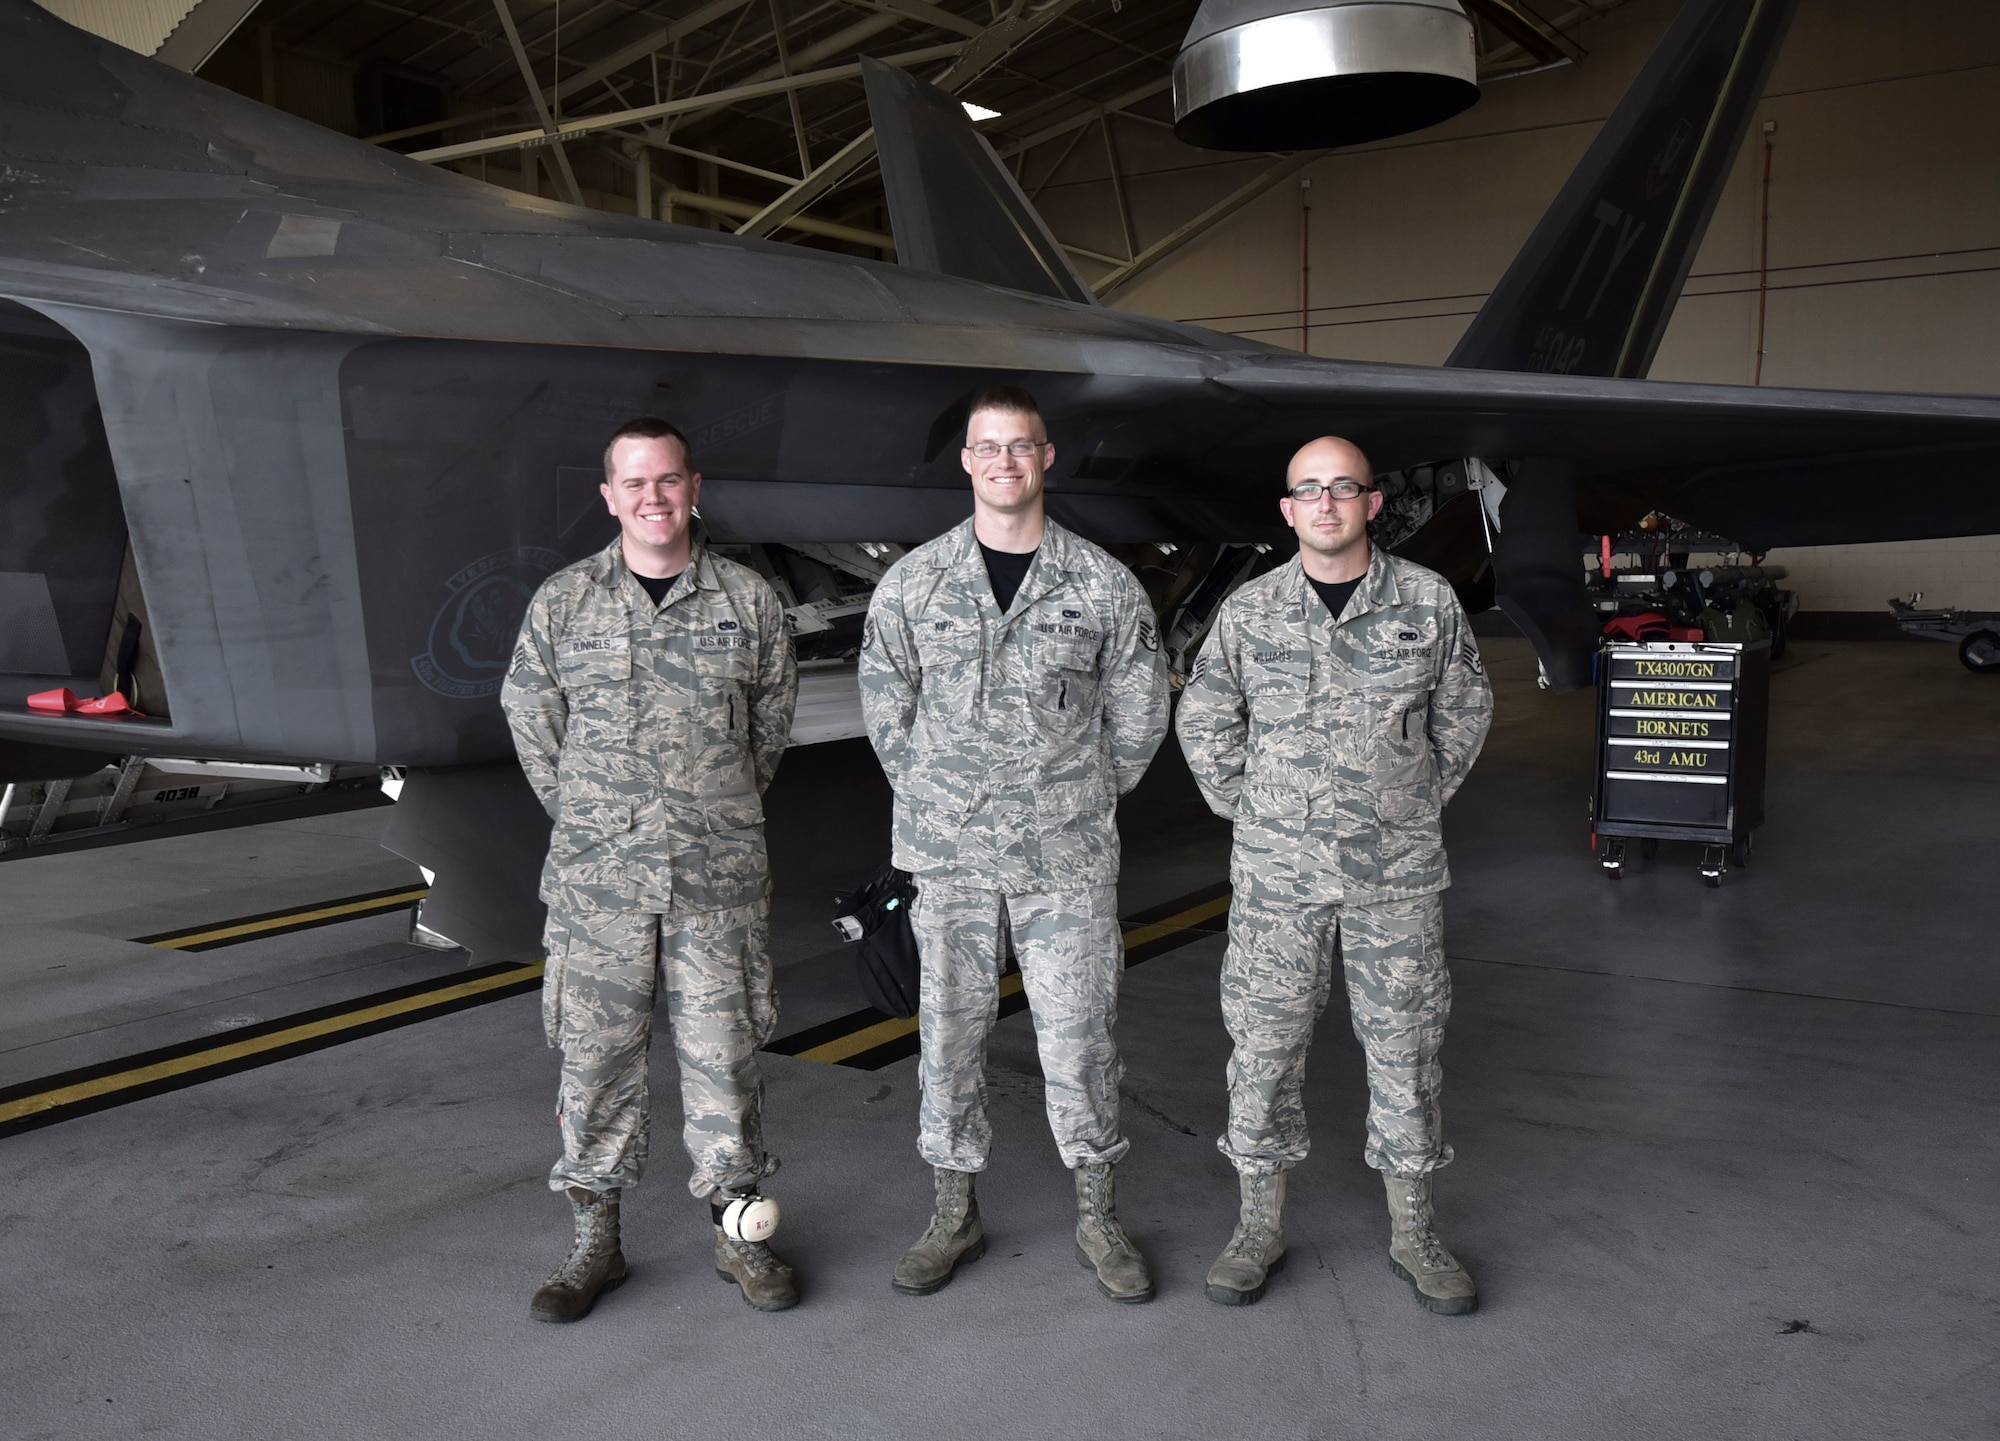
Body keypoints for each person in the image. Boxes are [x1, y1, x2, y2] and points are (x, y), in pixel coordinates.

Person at [859, 385, 1169, 1303]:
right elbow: (886, 701)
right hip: (949, 855)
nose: (1004, 462)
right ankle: (954, 1209)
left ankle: (1098, 1213)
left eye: (1020, 446)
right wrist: (936, 789)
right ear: (966, 462)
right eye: (987, 447)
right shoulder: (913, 583)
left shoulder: (1103, 585)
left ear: (1046, 459)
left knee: (1080, 1037)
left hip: (1065, 857)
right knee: (948, 1034)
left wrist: (1077, 796)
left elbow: (1142, 710)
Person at [1175, 435, 1493, 1314]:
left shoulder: (1425, 602)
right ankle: (1256, 1224)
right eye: (1307, 491)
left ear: (1371, 502)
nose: (1325, 504)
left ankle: (1415, 1227)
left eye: (1342, 488)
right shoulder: (1251, 611)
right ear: (1287, 511)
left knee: (1405, 1049)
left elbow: (1463, 710)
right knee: (1265, 1048)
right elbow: (1204, 717)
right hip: (1279, 880)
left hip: (1396, 875)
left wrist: (1410, 797)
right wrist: (1258, 806)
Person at [501, 416, 799, 1322]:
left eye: (667, 480)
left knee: (726, 1060)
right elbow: (532, 721)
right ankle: (597, 1240)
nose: (653, 498)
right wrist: (597, 818)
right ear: (609, 495)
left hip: (718, 881)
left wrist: (707, 809)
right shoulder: (564, 601)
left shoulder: (747, 601)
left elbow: (770, 731)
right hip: (598, 884)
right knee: (593, 1063)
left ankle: (738, 1235)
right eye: (634, 483)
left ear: (693, 485)